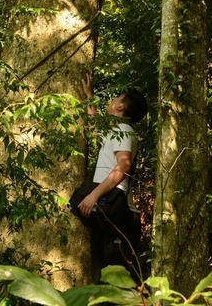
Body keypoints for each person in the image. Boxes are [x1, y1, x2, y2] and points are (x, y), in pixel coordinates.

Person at [76, 73, 148, 283]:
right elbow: (94, 128)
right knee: (102, 276)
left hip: (119, 214)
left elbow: (123, 165)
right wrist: (89, 95)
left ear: (120, 108)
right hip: (110, 208)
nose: (112, 100)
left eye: (116, 98)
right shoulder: (116, 132)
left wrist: (94, 195)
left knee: (115, 281)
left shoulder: (124, 130)